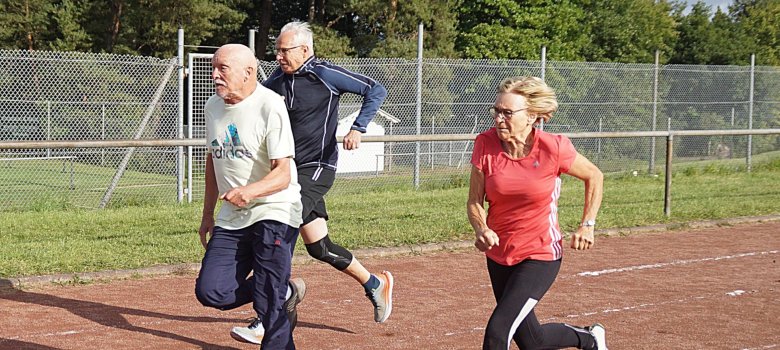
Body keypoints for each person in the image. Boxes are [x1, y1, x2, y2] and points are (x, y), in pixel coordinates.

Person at [262, 21, 394, 324]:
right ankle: (376, 284)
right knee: (319, 247)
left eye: (284, 51)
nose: (278, 57)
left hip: (316, 167)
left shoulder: (324, 73)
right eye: (277, 51)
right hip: (286, 171)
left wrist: (358, 128)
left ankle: (275, 305)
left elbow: (375, 89)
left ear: (305, 49)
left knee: (281, 227)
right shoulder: (276, 80)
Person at [466, 76, 608, 350]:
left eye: (507, 113)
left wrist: (587, 224)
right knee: (532, 341)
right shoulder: (485, 143)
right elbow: (474, 201)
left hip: (540, 254)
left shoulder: (554, 147)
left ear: (531, 116)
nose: (498, 119)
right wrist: (481, 229)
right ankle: (588, 338)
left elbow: (594, 176)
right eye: (496, 111)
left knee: (498, 331)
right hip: (499, 254)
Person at [194, 43, 304, 349]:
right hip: (232, 216)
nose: (214, 75)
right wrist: (206, 215)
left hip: (274, 208)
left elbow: (283, 173)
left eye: (222, 69)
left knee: (269, 301)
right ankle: (281, 287)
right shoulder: (212, 106)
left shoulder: (270, 104)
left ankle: (274, 290)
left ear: (249, 72)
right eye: (213, 68)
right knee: (211, 291)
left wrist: (249, 191)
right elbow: (212, 160)